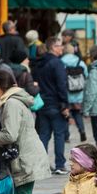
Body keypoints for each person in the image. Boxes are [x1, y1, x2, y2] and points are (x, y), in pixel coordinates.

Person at [33, 36, 71, 174]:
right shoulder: (57, 63)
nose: (62, 48)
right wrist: (65, 104)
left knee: (44, 134)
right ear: (53, 47)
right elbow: (61, 84)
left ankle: (41, 164)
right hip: (56, 103)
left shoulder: (39, 63)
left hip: (42, 103)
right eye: (60, 46)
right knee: (59, 135)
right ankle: (60, 164)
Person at [61, 41, 88, 143]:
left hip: (66, 93)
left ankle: (66, 136)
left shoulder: (61, 62)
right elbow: (86, 75)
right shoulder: (80, 62)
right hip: (78, 94)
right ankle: (82, 131)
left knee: (65, 115)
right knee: (77, 113)